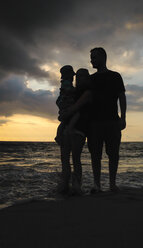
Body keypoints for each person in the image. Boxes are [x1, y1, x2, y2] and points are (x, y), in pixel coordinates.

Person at [65, 48, 127, 193]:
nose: (91, 60)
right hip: (94, 123)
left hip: (112, 121)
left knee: (113, 154)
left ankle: (112, 184)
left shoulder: (115, 76)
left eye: (94, 57)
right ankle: (97, 185)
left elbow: (121, 97)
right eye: (91, 57)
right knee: (95, 155)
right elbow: (80, 97)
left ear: (103, 57)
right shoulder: (90, 79)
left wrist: (123, 117)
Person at [57, 67, 90, 195]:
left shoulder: (85, 92)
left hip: (79, 128)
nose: (77, 79)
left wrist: (64, 114)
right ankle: (66, 184)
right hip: (68, 125)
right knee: (65, 158)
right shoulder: (72, 90)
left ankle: (75, 185)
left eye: (82, 76)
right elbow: (62, 101)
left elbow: (77, 109)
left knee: (75, 158)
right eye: (77, 76)